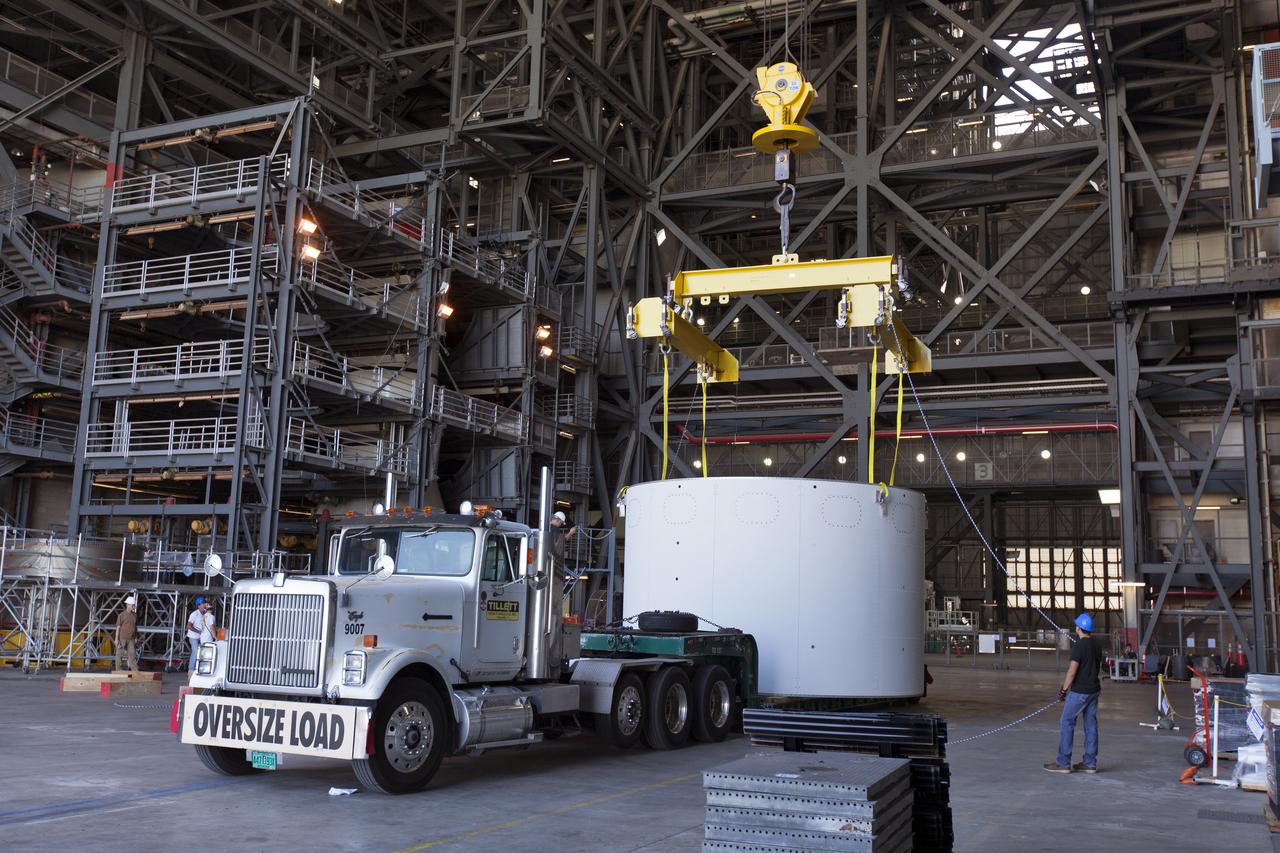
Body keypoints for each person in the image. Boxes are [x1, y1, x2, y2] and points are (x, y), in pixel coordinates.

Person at [1045, 613, 1103, 774]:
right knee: (1090, 725)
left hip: (1080, 692)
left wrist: (1063, 690)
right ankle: (1090, 763)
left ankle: (1063, 763)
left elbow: (1072, 672)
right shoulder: (1096, 644)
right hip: (1094, 690)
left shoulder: (1079, 646)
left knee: (1066, 722)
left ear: (1079, 628)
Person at [548, 511, 576, 579]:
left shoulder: (546, 526)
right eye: (560, 523)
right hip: (553, 557)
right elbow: (563, 539)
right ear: (557, 520)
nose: (560, 525)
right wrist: (571, 532)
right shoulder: (555, 529)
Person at [115, 595, 139, 672]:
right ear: (128, 605)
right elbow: (118, 627)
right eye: (133, 605)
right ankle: (118, 670)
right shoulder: (121, 615)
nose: (134, 606)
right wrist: (116, 639)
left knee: (132, 654)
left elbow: (135, 627)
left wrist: (136, 637)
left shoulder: (135, 615)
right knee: (119, 654)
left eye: (134, 605)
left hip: (131, 639)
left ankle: (135, 670)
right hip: (122, 638)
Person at [186, 597, 210, 672]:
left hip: (201, 637)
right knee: (195, 651)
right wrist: (198, 632)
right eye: (203, 604)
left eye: (205, 603)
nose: (205, 605)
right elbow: (188, 626)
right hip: (193, 637)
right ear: (199, 605)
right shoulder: (194, 614)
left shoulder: (205, 614)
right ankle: (191, 669)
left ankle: (200, 668)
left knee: (202, 652)